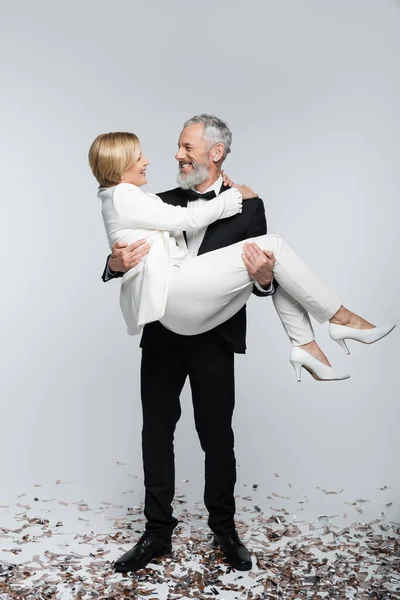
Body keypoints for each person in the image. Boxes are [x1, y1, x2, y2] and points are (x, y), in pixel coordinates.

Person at [92, 117, 393, 571]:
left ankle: (224, 530)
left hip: (214, 333)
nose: (176, 155)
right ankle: (156, 533)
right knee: (157, 432)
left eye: (187, 147)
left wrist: (265, 279)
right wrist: (114, 263)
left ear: (216, 153)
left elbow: (261, 283)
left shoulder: (251, 209)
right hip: (164, 331)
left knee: (217, 436)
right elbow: (128, 244)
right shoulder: (157, 199)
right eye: (177, 146)